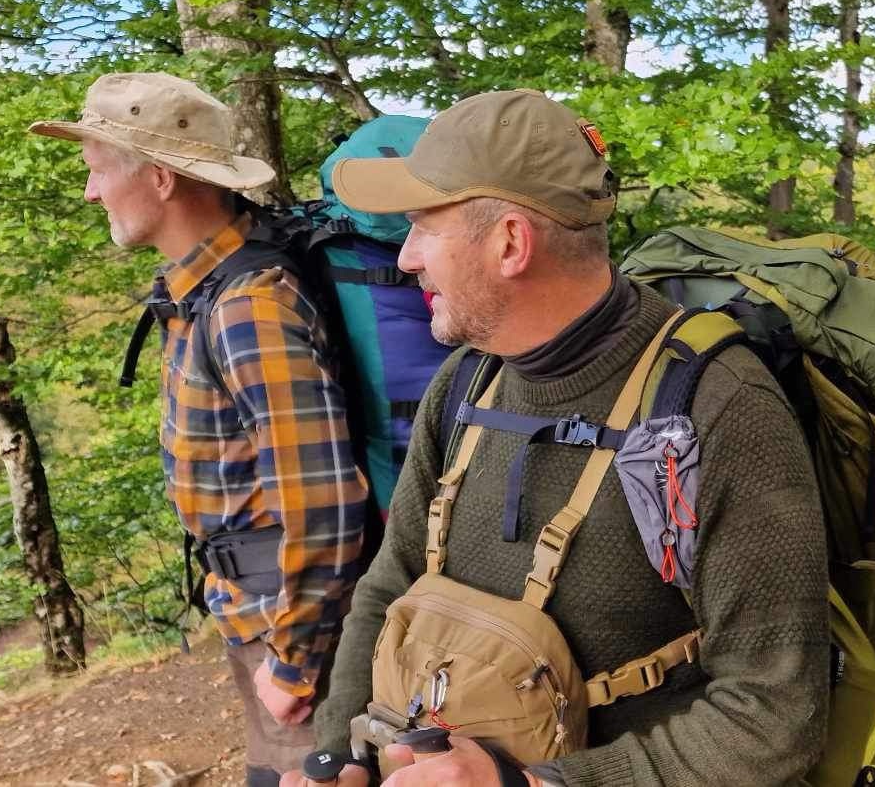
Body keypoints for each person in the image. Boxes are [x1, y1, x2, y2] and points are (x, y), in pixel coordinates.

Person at [283, 89, 830, 787]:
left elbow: (773, 715)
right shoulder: (467, 382)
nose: (408, 258)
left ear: (510, 242)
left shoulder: (716, 407)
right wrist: (339, 756)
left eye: (423, 226)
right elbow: (392, 583)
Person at [30, 73, 368, 786]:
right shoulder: (203, 288)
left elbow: (323, 499)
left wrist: (294, 663)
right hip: (258, 611)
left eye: (97, 171)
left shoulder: (247, 306)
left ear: (159, 179)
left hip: (295, 628)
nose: (90, 193)